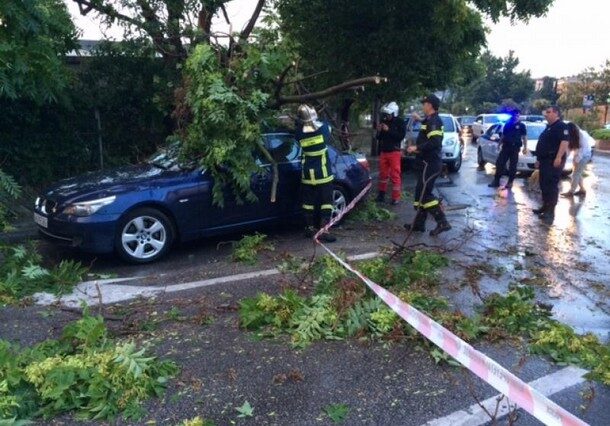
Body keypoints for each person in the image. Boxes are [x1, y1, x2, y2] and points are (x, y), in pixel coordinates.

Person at [404, 94, 451, 236]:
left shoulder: (434, 121)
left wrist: (416, 148)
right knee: (420, 193)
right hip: (426, 163)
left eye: (424, 103)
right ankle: (419, 224)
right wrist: (419, 119)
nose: (423, 106)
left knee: (425, 195)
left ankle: (442, 222)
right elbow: (428, 130)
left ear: (430, 105)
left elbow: (435, 142)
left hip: (430, 164)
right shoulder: (430, 120)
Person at [295, 104, 336, 243]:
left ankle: (309, 228)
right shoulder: (323, 129)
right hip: (323, 175)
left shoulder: (299, 134)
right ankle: (324, 230)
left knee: (308, 203)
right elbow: (327, 127)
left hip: (307, 175)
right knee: (326, 203)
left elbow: (299, 129)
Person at [532, 105, 570, 223]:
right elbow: (543, 144)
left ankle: (550, 212)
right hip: (544, 160)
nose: (546, 114)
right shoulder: (549, 127)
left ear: (556, 113)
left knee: (551, 186)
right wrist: (538, 159)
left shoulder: (561, 126)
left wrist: (558, 157)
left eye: (548, 112)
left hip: (553, 160)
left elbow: (564, 142)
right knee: (543, 184)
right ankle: (545, 206)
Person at [375, 102, 406, 205]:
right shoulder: (384, 121)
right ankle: (381, 195)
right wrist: (379, 131)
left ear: (394, 113)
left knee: (395, 175)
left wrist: (388, 130)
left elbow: (400, 137)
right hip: (384, 152)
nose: (386, 116)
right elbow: (379, 138)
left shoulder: (400, 122)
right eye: (385, 114)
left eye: (388, 114)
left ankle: (395, 197)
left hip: (394, 152)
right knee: (383, 175)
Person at [488, 109, 528, 189]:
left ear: (519, 116)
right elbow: (503, 135)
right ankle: (496, 181)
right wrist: (499, 144)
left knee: (513, 166)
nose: (516, 117)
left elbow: (524, 137)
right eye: (514, 115)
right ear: (512, 116)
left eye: (517, 115)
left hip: (515, 148)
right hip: (506, 147)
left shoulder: (522, 126)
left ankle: (510, 182)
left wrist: (525, 147)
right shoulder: (508, 124)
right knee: (500, 163)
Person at [561, 122, 592, 197]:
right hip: (578, 154)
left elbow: (583, 150)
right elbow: (568, 149)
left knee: (576, 174)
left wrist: (576, 160)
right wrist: (563, 159)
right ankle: (582, 189)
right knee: (578, 173)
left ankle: (571, 192)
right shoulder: (572, 136)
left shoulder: (582, 135)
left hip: (585, 155)